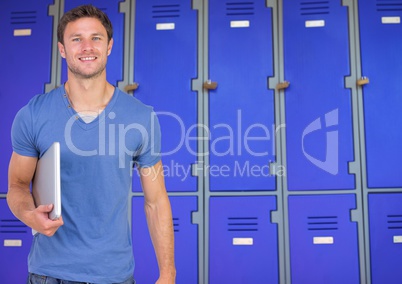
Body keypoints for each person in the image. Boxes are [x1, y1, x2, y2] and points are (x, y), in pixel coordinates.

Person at [7, 4, 176, 284]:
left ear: (109, 46)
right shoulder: (33, 114)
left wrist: (168, 273)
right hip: (49, 276)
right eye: (77, 39)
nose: (87, 47)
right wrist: (29, 215)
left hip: (114, 277)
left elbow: (156, 201)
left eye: (96, 38)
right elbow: (16, 185)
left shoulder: (141, 117)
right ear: (63, 49)